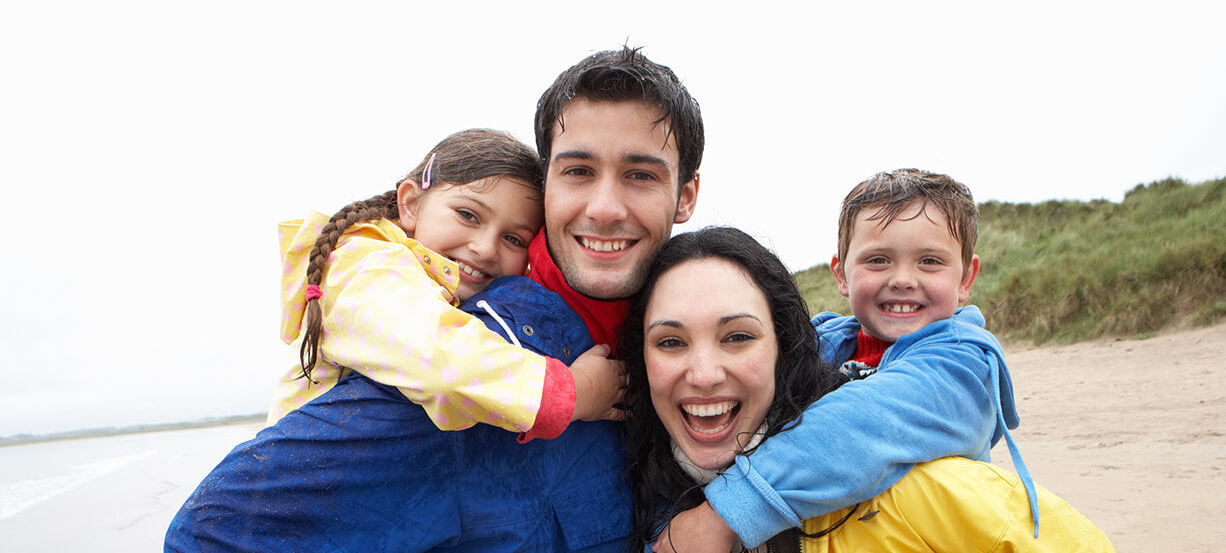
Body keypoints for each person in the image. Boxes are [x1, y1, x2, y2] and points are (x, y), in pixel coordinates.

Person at [165, 45, 703, 552]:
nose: (605, 207)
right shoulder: (470, 335)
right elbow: (218, 531)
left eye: (640, 175)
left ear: (686, 196)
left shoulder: (688, 311)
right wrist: (570, 393)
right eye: (579, 171)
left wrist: (731, 514)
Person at [622, 226, 1115, 551]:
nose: (704, 373)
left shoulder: (921, 490)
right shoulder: (636, 492)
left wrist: (727, 514)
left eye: (738, 337)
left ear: (786, 346)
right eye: (670, 341)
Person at [657, 169, 1036, 551]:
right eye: (878, 260)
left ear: (966, 278)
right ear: (841, 274)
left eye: (930, 262)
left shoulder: (963, 366)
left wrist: (727, 512)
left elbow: (865, 424)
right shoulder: (824, 344)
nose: (903, 278)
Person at [268, 128, 623, 441]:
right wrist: (577, 392)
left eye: (514, 239)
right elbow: (437, 358)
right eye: (467, 215)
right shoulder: (365, 266)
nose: (485, 248)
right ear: (410, 203)